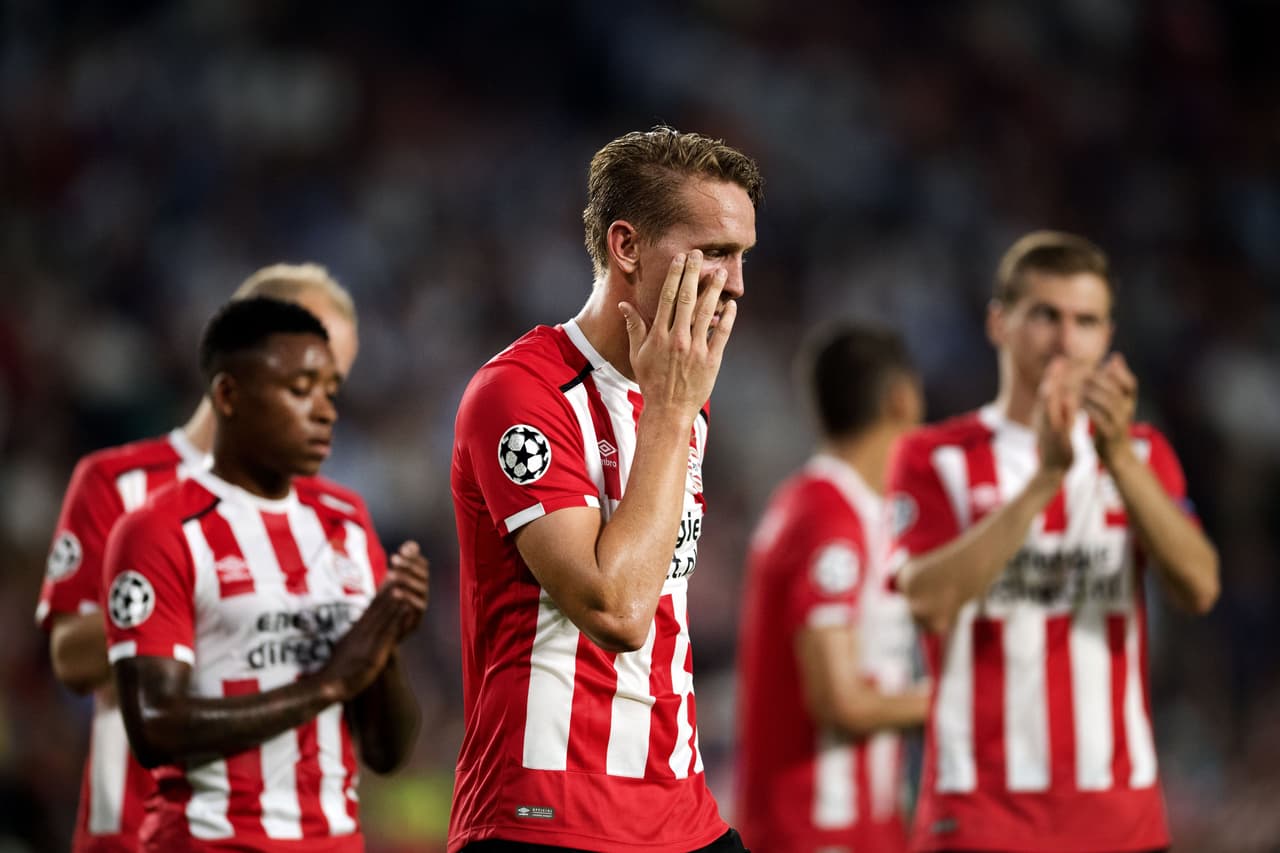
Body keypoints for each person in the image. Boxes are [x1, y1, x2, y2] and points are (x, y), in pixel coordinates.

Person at [448, 126, 761, 853]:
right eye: (715, 251)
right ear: (627, 247)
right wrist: (673, 412)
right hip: (546, 816)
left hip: (681, 814)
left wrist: (675, 408)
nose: (737, 281)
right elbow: (615, 609)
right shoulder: (519, 394)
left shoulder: (679, 392)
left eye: (743, 255)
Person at [888, 231, 1220, 852]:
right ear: (998, 322)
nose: (1067, 340)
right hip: (979, 822)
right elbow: (926, 603)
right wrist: (1046, 479)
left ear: (1108, 336)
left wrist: (1117, 456)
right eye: (1045, 315)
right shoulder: (935, 457)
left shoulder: (1145, 453)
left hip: (1123, 824)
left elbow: (1199, 587)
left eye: (1086, 321)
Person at [35, 264, 366, 853]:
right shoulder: (119, 483)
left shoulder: (325, 514)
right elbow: (69, 658)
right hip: (134, 830)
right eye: (304, 378)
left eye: (333, 382)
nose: (321, 404)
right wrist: (194, 599)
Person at [102, 297, 427, 852]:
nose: (324, 410)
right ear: (228, 396)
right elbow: (155, 727)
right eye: (300, 390)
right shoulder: (158, 530)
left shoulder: (346, 522)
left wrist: (385, 639)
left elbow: (386, 752)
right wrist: (325, 685)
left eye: (330, 391)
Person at [736, 324, 930, 853]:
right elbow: (838, 699)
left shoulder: (824, 506)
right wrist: (949, 699)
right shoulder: (829, 517)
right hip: (820, 831)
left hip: (852, 829)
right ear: (902, 398)